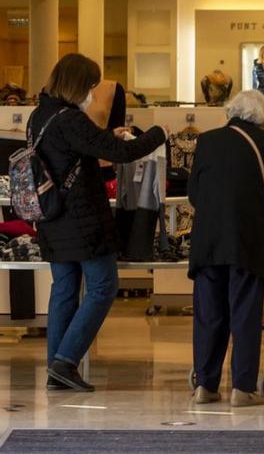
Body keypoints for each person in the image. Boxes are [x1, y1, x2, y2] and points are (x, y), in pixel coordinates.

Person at [32, 54, 166, 392]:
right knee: (103, 287)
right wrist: (158, 133)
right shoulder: (70, 119)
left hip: (51, 217)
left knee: (63, 290)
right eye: (91, 85)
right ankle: (65, 361)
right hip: (82, 220)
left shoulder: (40, 115)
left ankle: (56, 368)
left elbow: (90, 147)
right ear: (79, 84)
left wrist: (109, 136)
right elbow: (120, 154)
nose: (93, 92)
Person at [187, 90, 264, 407]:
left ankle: (205, 385)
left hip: (208, 240)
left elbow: (193, 193)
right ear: (262, 116)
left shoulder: (207, 141)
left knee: (208, 314)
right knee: (244, 313)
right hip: (247, 240)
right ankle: (242, 389)